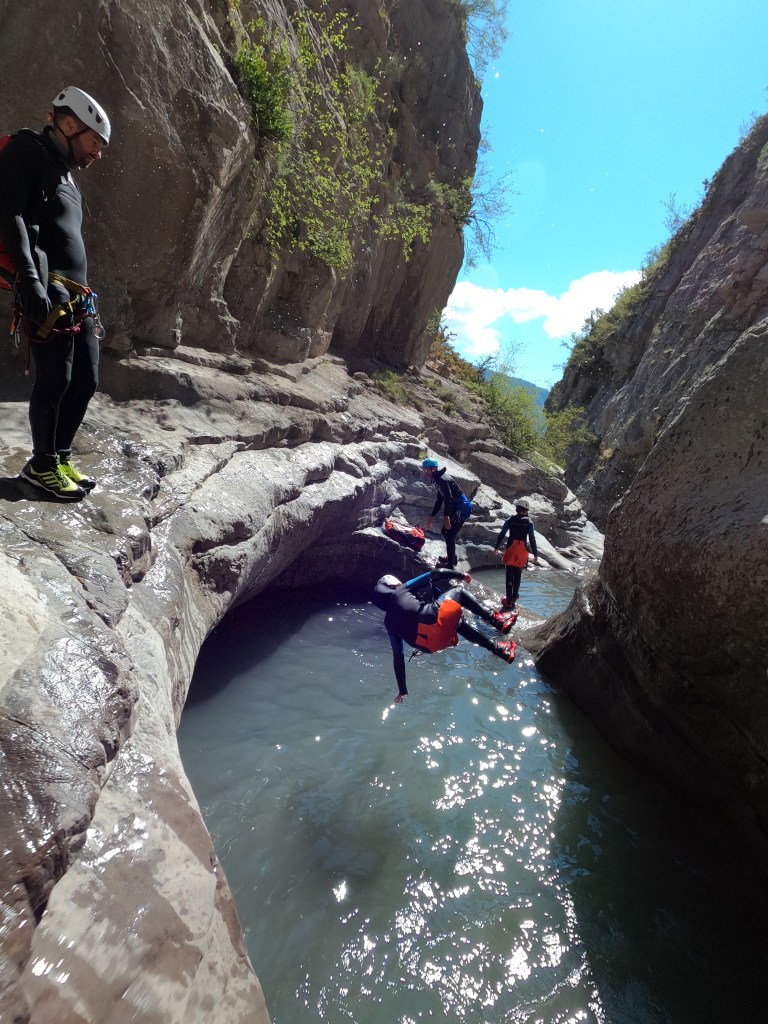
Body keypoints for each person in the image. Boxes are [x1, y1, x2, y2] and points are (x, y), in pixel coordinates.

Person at [0, 87, 111, 501]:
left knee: (86, 378)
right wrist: (29, 279)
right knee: (56, 377)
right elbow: (11, 212)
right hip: (46, 289)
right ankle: (40, 466)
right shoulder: (27, 151)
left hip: (77, 295)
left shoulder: (65, 176)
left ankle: (59, 456)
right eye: (94, 142)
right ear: (68, 124)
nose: (98, 153)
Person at [372, 569, 517, 703]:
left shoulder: (388, 623)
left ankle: (499, 649)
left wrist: (402, 690)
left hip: (431, 646)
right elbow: (436, 573)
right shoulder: (401, 591)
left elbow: (398, 659)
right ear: (393, 586)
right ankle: (497, 619)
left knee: (457, 623)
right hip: (433, 618)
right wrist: (460, 575)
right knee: (459, 591)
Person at [422, 457, 473, 569]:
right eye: (425, 470)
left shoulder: (443, 479)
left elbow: (449, 498)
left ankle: (450, 566)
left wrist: (446, 517)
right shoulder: (438, 479)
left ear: (433, 469)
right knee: (445, 532)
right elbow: (440, 499)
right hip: (456, 507)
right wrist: (432, 516)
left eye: (427, 470)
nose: (426, 473)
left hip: (462, 507)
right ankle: (452, 558)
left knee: (449, 535)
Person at [493, 498, 539, 609]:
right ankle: (514, 598)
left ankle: (508, 600)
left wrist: (496, 547)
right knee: (518, 574)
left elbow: (502, 534)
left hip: (511, 549)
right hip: (522, 550)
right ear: (525, 510)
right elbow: (532, 539)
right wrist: (536, 555)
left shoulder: (509, 520)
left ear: (517, 509)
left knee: (509, 575)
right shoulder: (529, 522)